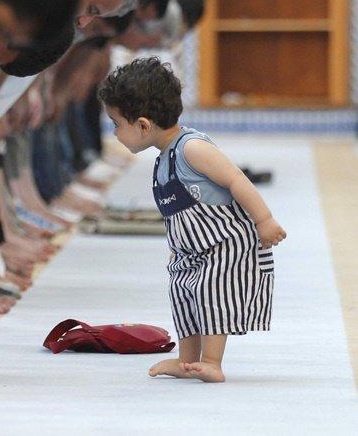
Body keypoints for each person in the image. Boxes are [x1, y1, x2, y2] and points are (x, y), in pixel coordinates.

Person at [98, 57, 286, 383]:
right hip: (191, 250)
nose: (114, 132)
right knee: (183, 292)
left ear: (143, 125)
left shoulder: (191, 148)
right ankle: (187, 360)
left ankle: (212, 361)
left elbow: (237, 180)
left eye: (116, 124)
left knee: (211, 293)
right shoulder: (163, 158)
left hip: (225, 244)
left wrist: (264, 220)